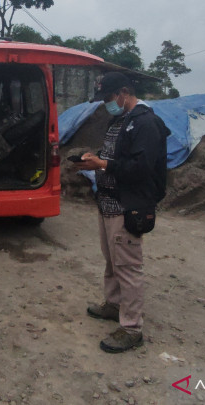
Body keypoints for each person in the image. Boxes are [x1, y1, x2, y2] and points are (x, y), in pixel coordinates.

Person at [73, 72, 170, 354]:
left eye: (108, 98)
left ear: (124, 92)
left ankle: (131, 329)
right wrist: (94, 162)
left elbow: (141, 168)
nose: (106, 104)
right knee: (112, 260)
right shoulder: (121, 121)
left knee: (128, 267)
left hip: (128, 205)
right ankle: (114, 305)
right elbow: (115, 159)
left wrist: (102, 164)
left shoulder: (146, 123)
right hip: (108, 203)